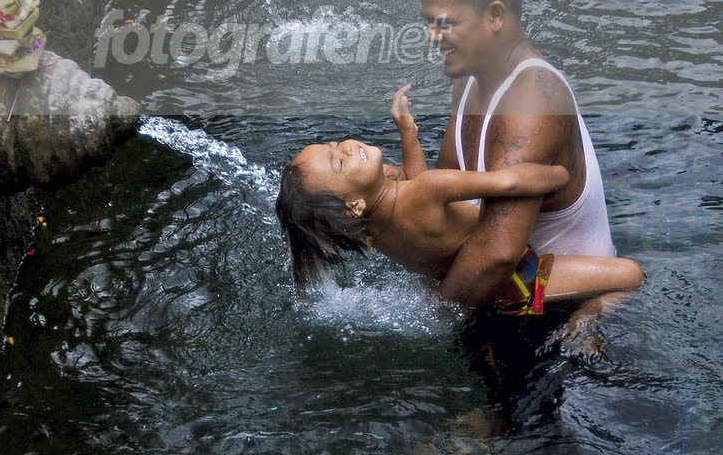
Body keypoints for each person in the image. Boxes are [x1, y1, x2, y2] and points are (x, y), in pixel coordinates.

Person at [275, 85, 644, 314]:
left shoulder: (368, 230)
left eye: (333, 144)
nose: (346, 146)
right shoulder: (430, 189)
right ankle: (587, 320)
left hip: (468, 294)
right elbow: (507, 183)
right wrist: (558, 176)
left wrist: (408, 134)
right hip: (519, 282)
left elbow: (412, 197)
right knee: (629, 276)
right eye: (340, 162)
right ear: (352, 205)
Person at [417, 0, 623, 307]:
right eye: (428, 23)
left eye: (445, 24)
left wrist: (428, 314)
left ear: (495, 16)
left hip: (564, 314)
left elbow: (497, 254)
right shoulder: (467, 79)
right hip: (510, 295)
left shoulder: (532, 103)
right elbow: (449, 197)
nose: (432, 37)